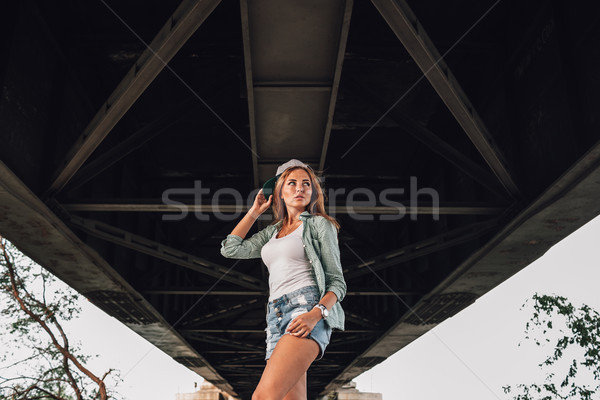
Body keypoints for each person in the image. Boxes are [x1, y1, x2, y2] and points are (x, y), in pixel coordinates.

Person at [220, 159, 346, 400]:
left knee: (263, 397)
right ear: (278, 192)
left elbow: (337, 283)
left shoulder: (320, 225)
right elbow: (230, 249)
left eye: (306, 184)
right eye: (292, 183)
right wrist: (254, 212)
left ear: (312, 192)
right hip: (275, 316)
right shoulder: (271, 232)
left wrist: (315, 314)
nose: (300, 188)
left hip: (306, 309)